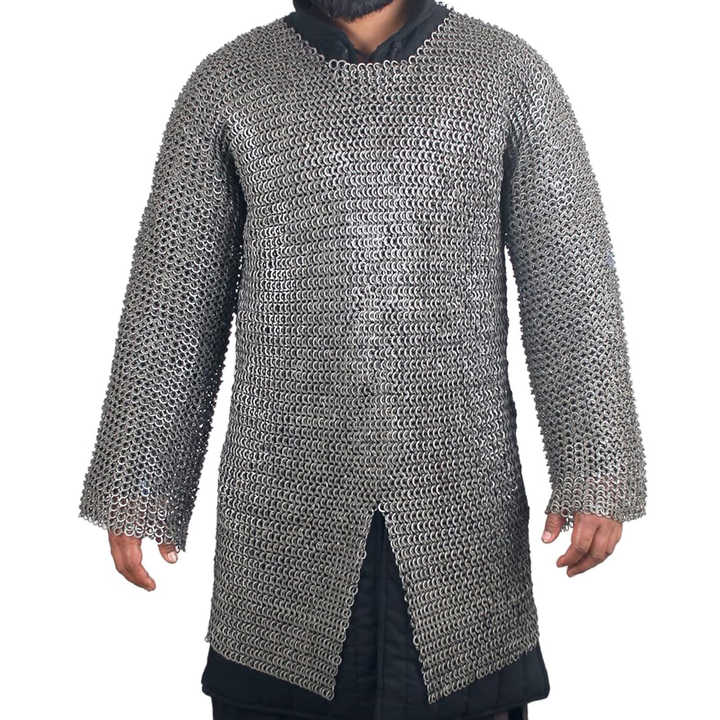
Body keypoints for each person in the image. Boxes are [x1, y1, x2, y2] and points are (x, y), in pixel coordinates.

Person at [78, 1, 648, 719]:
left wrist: (597, 466)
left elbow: (570, 286)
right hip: (284, 529)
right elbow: (173, 301)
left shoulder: (507, 75)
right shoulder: (230, 86)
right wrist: (141, 478)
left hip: (461, 521)